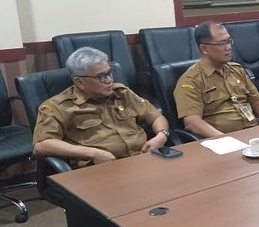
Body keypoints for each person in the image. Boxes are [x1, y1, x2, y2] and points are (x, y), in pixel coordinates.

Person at [33, 47, 170, 167]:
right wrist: (91, 153)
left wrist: (161, 135)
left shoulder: (122, 93)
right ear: (80, 82)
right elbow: (42, 144)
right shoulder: (58, 106)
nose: (109, 80)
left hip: (143, 160)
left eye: (109, 73)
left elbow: (155, 116)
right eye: (101, 77)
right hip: (100, 169)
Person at [174, 22, 259, 137]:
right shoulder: (191, 80)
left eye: (229, 41)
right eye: (222, 43)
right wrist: (225, 139)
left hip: (252, 132)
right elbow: (192, 123)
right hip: (222, 139)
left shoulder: (237, 70)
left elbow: (258, 101)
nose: (228, 47)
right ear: (204, 49)